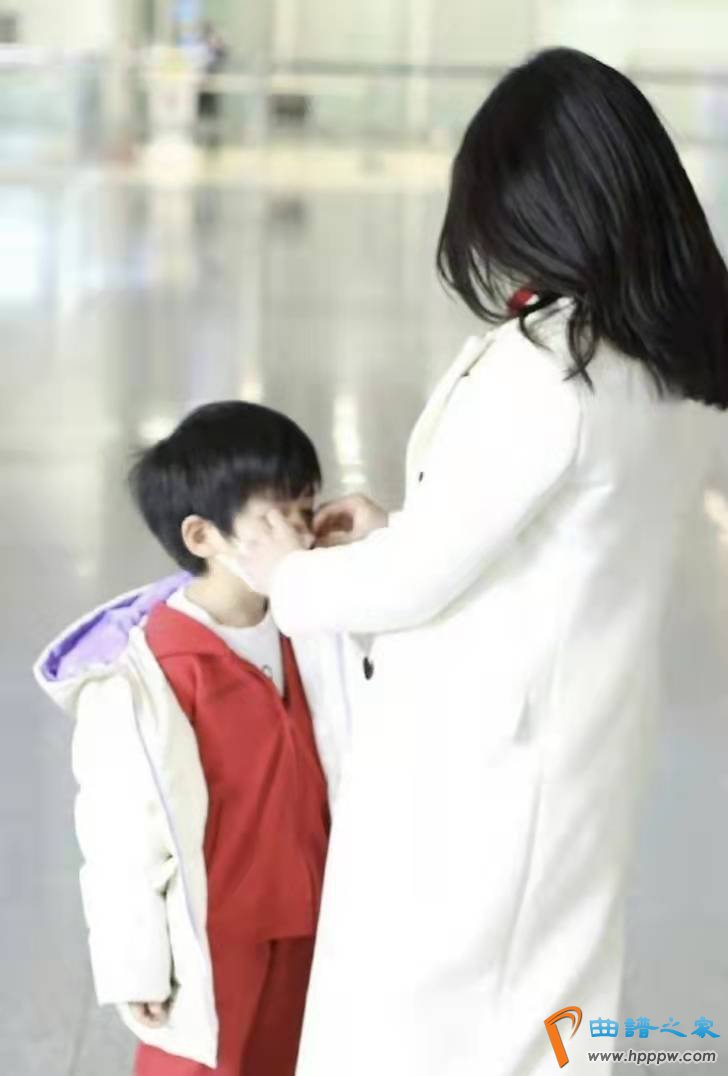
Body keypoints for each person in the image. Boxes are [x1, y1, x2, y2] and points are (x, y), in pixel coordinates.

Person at [226, 49, 728, 1076]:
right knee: (545, 1008)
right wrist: (401, 526)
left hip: (481, 763)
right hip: (575, 740)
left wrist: (287, 573)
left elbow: (416, 583)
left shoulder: (551, 369)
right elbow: (552, 538)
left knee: (429, 1023)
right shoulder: (663, 367)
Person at [33, 402, 353, 1076]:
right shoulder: (147, 674)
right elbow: (118, 835)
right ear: (203, 535)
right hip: (214, 938)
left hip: (314, 919)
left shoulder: (311, 630)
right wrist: (136, 964)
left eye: (307, 508)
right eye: (277, 519)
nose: (301, 535)